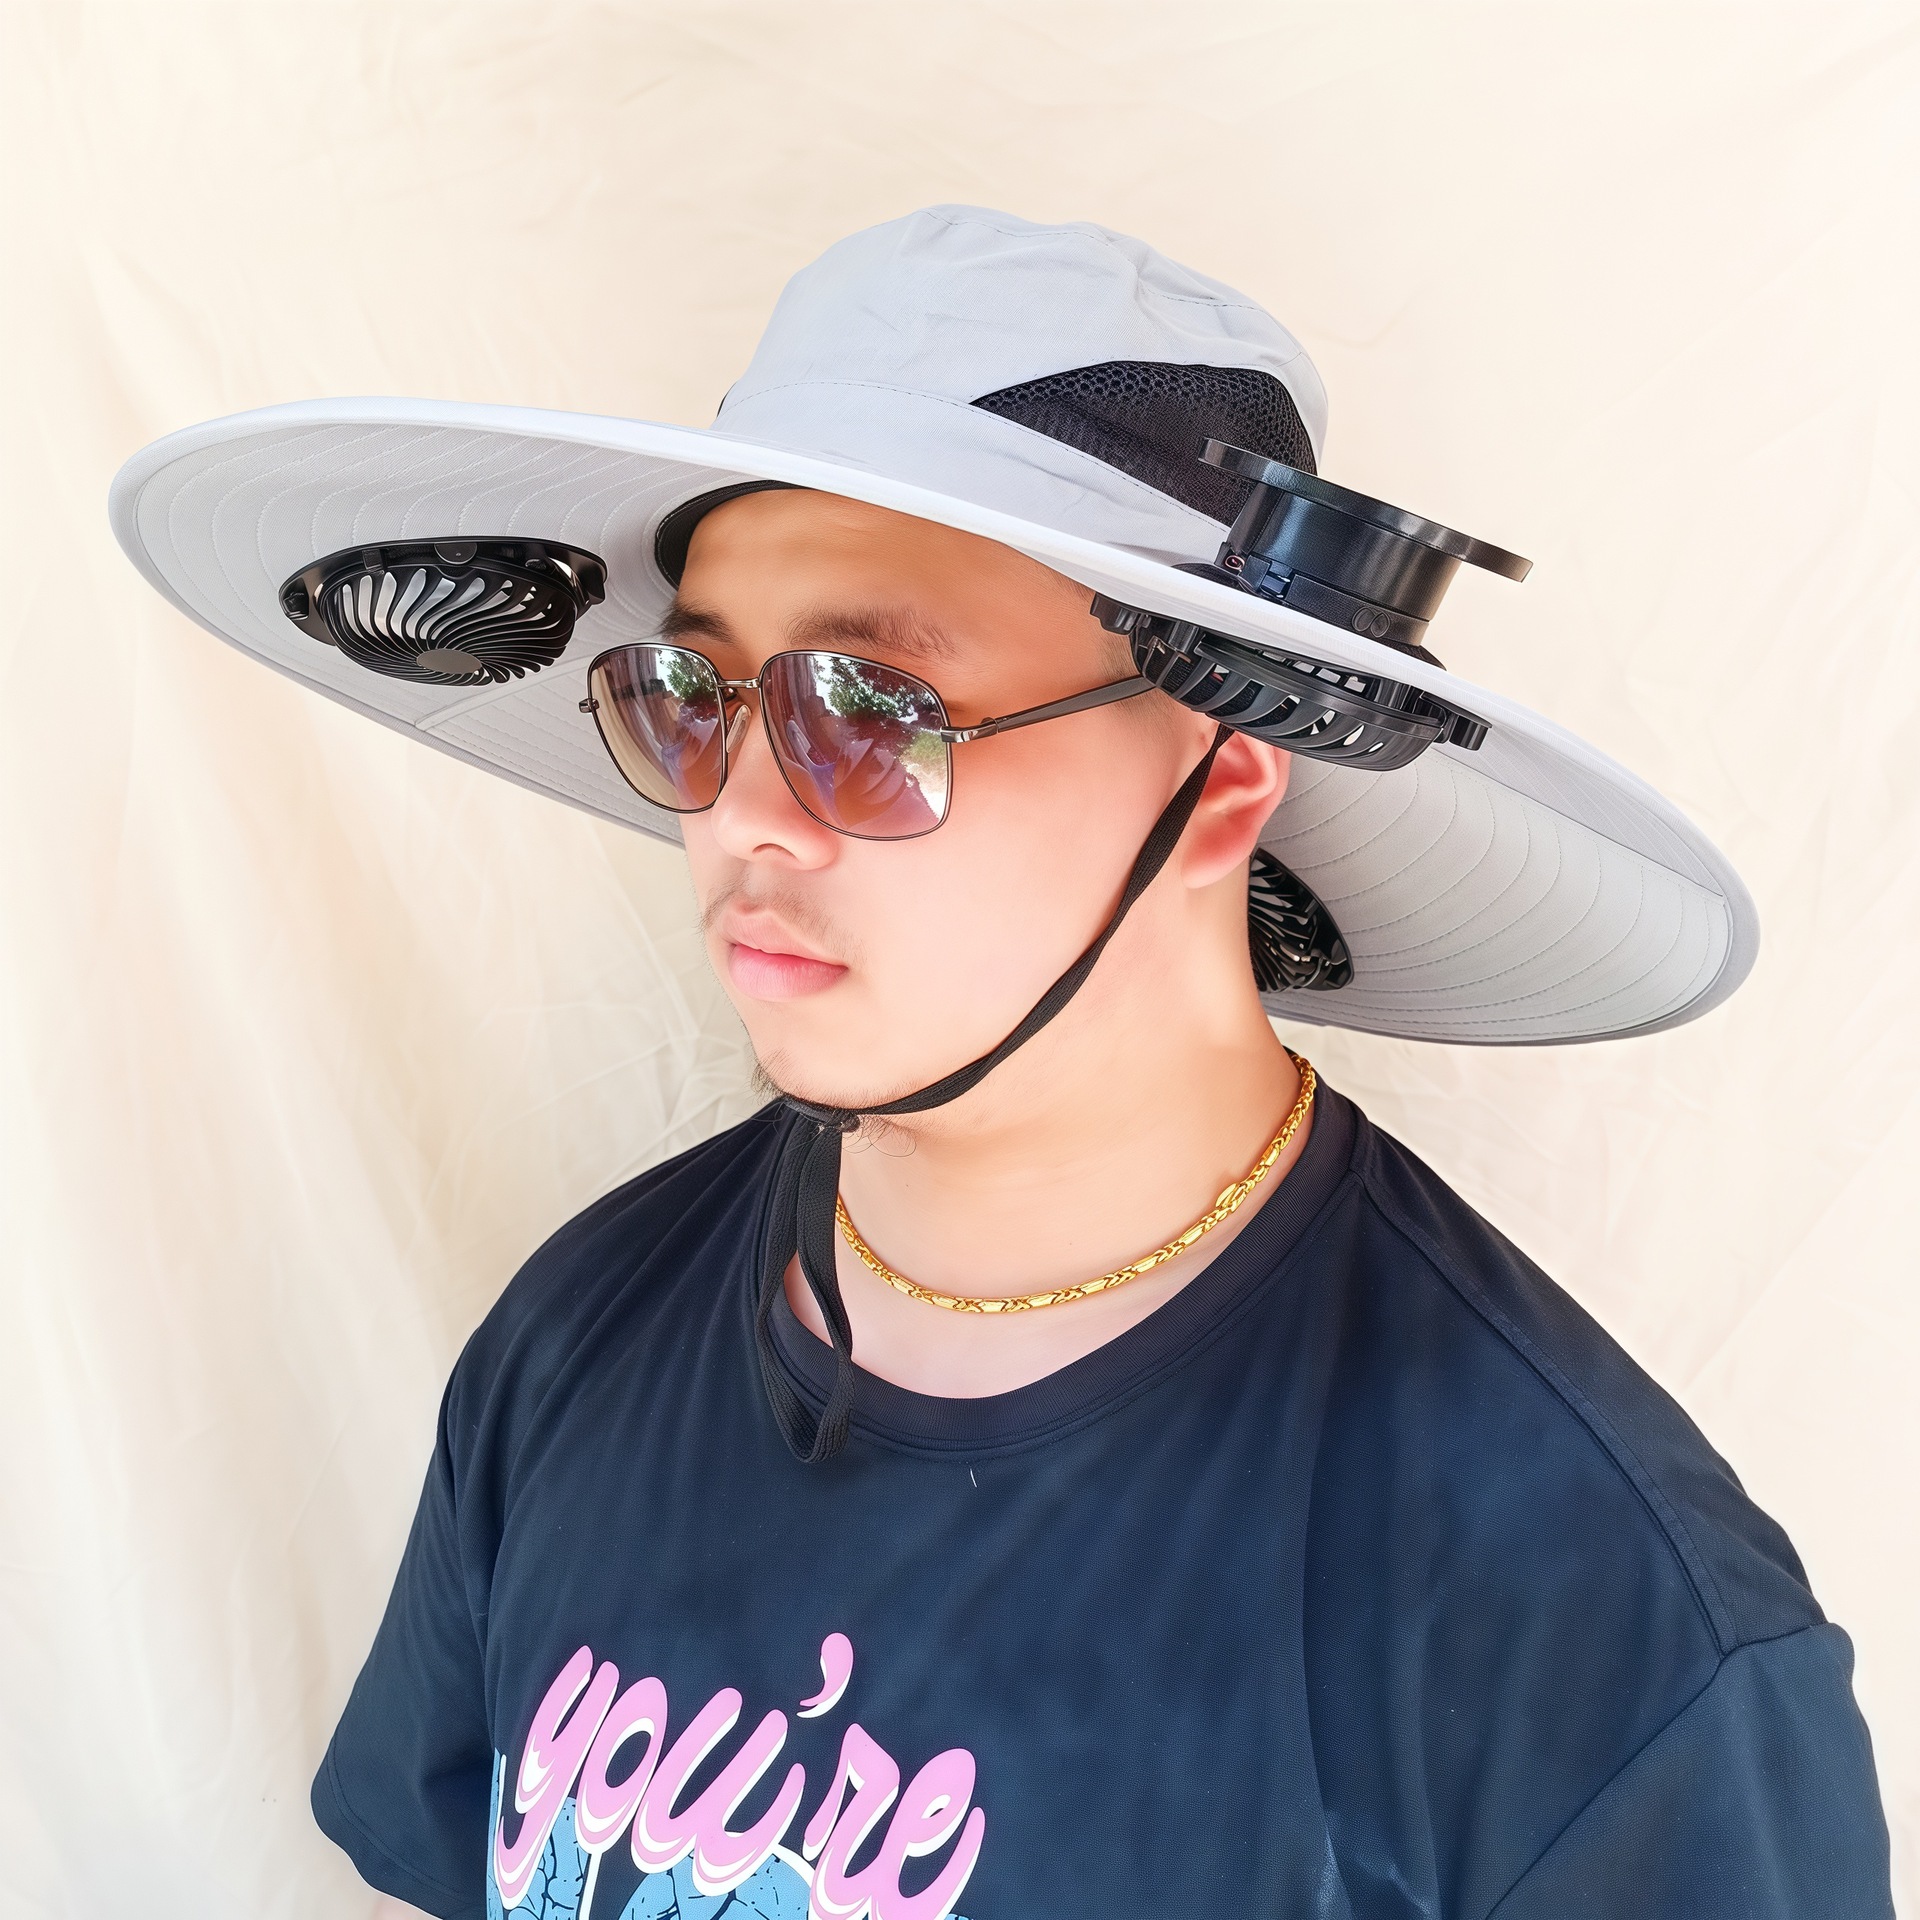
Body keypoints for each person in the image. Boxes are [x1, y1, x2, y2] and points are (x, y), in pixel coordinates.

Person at [111, 207, 1892, 1919]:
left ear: (1220, 778)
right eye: (698, 697)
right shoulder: (586, 1329)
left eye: (865, 713)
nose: (741, 818)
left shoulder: (1586, 1612)